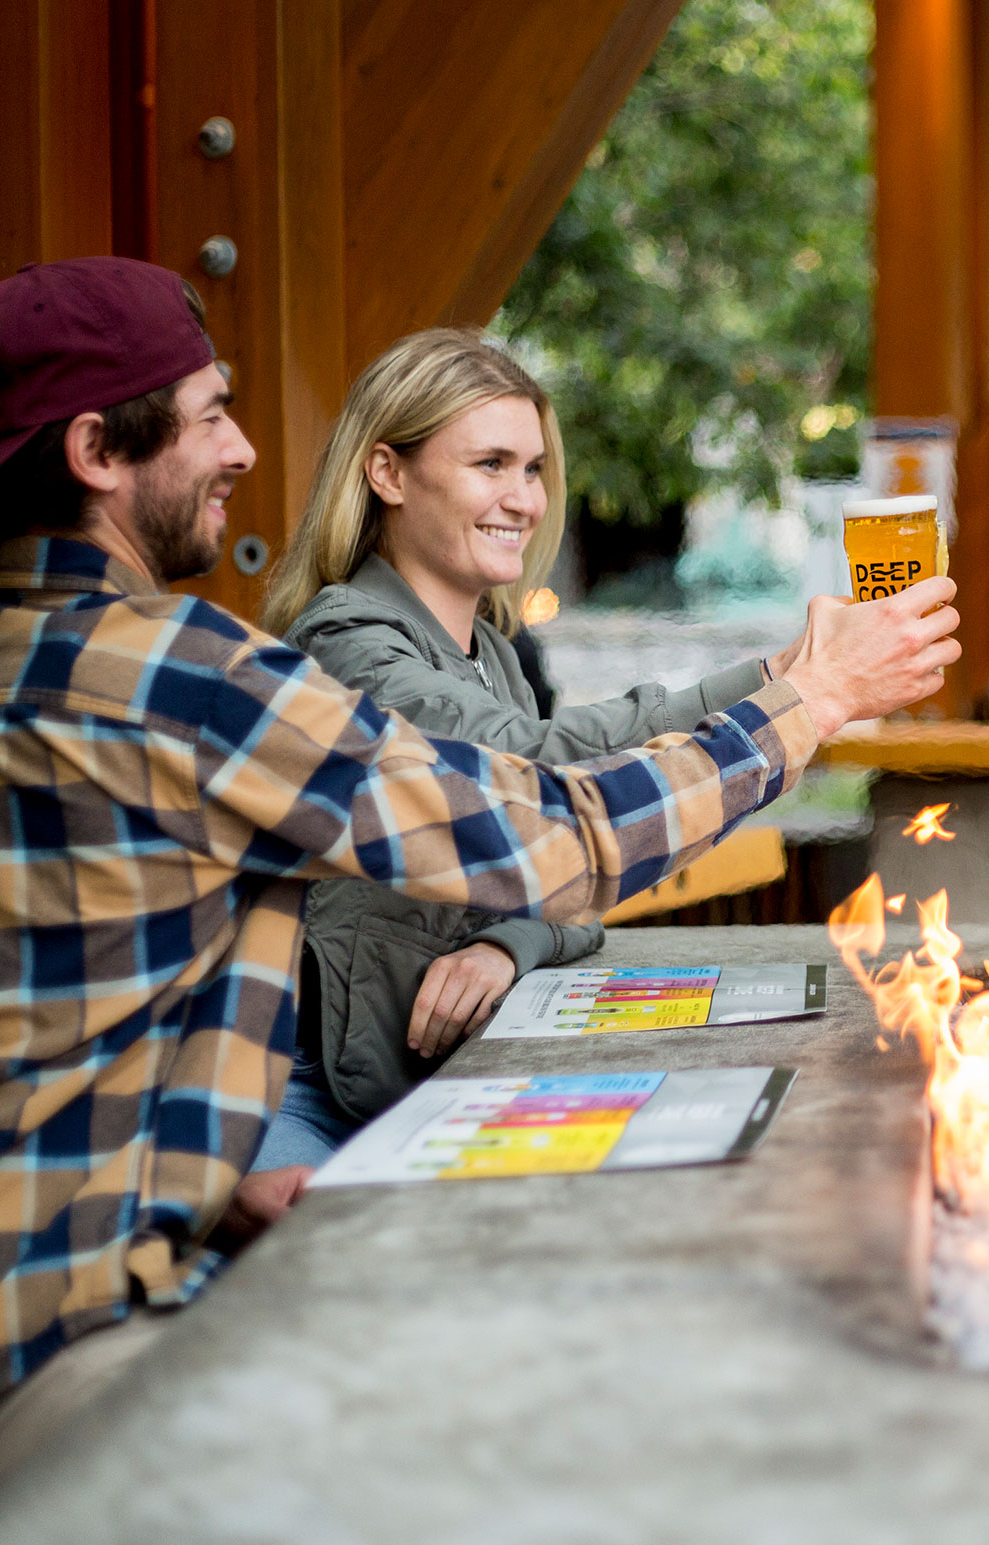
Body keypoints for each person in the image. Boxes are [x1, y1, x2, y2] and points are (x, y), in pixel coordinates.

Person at [0, 258, 959, 1520]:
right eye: (208, 415)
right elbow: (549, 839)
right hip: (43, 1358)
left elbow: (28, 1014)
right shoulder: (186, 676)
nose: (246, 449)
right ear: (97, 449)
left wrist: (220, 1170)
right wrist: (817, 702)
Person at [248, 329, 824, 1167]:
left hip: (416, 1090)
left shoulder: (493, 654)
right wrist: (782, 681)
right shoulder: (348, 645)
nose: (524, 498)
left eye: (533, 469)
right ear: (387, 472)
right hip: (305, 1098)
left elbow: (570, 894)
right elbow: (546, 773)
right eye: (491, 464)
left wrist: (506, 944)